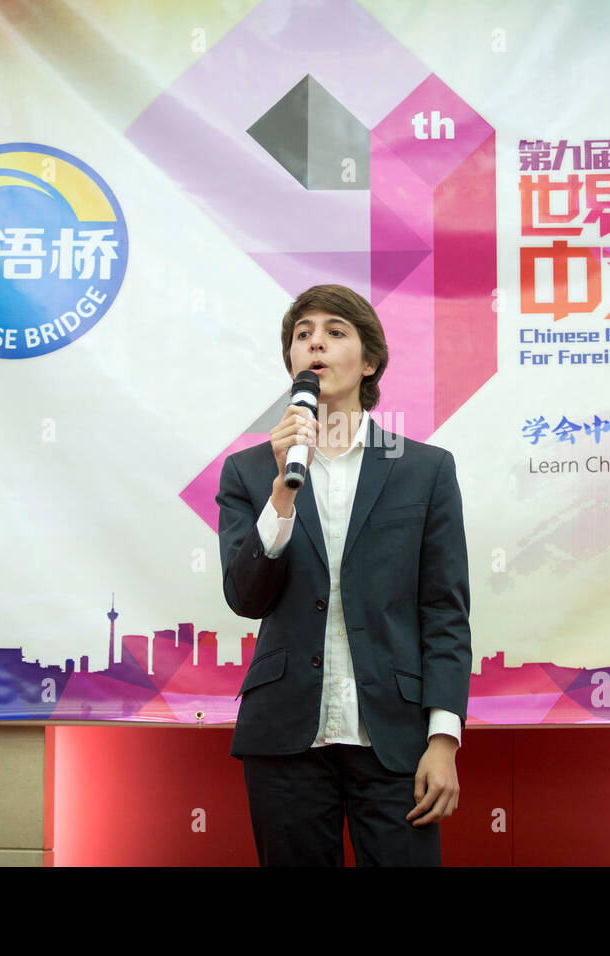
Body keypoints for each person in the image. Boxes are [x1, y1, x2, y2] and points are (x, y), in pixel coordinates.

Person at [215, 284, 472, 866]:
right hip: (286, 737)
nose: (315, 344)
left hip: (395, 737)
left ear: (369, 361)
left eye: (335, 332)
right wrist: (282, 491)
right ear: (292, 363)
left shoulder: (425, 470)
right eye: (303, 334)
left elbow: (444, 611)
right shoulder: (250, 471)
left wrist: (443, 738)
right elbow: (245, 597)